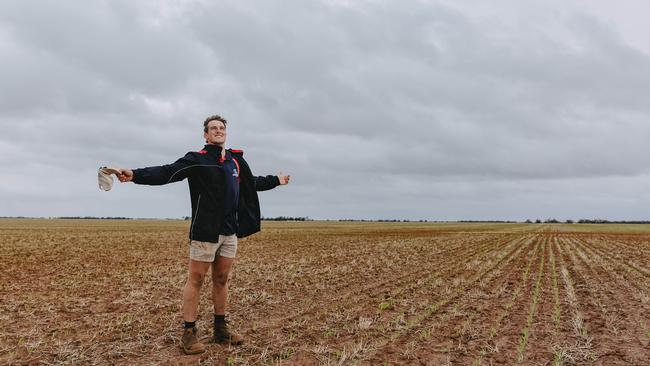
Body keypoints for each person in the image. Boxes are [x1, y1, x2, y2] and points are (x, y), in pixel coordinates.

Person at [114, 114, 290, 355]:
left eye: (222, 128)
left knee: (221, 279)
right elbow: (167, 172)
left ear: (225, 133)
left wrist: (276, 181)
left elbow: (251, 183)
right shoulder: (197, 159)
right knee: (195, 280)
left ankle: (220, 328)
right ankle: (189, 332)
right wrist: (134, 174)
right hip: (205, 231)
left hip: (230, 232)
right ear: (206, 135)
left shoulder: (236, 161)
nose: (218, 131)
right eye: (213, 128)